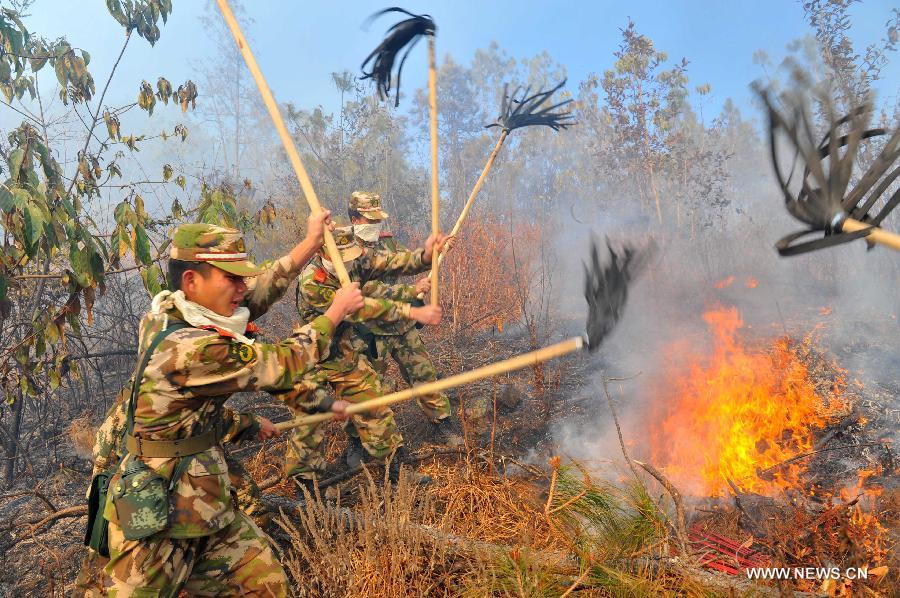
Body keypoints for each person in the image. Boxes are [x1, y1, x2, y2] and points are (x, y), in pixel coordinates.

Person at [97, 213, 364, 597]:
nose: (242, 287)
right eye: (231, 278)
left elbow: (185, 413)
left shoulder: (171, 313)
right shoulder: (190, 347)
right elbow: (281, 363)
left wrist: (309, 243)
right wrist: (335, 313)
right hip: (159, 514)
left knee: (267, 587)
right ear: (192, 281)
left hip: (208, 506)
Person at [284, 225, 449, 482]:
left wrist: (425, 256)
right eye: (344, 257)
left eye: (353, 255)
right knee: (309, 420)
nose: (352, 262)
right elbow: (361, 309)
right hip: (313, 353)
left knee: (374, 404)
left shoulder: (354, 259)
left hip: (342, 353)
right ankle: (304, 490)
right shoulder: (312, 283)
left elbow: (392, 262)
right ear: (325, 254)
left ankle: (395, 471)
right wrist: (411, 312)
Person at [349, 191, 453, 430]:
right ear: (355, 219)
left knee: (424, 375)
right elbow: (364, 289)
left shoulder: (386, 242)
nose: (375, 224)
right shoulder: (345, 250)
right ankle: (361, 441)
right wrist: (409, 291)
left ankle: (442, 423)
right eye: (369, 219)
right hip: (370, 331)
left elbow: (407, 261)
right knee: (365, 391)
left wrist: (432, 253)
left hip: (402, 323)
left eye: (378, 219)